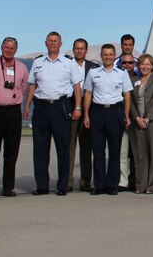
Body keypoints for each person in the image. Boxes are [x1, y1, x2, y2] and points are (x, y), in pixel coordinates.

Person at [24, 31, 82, 196]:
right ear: (46, 43)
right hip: (41, 107)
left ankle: (62, 186)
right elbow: (32, 85)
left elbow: (77, 86)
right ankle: (42, 185)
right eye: (50, 41)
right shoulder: (38, 62)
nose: (52, 43)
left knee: (63, 147)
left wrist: (77, 107)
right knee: (40, 148)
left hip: (61, 106)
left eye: (55, 41)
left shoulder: (68, 62)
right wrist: (27, 106)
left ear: (61, 44)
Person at [82, 44, 131, 195]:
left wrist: (126, 115)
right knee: (98, 151)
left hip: (115, 112)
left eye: (110, 54)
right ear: (101, 56)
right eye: (105, 54)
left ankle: (112, 185)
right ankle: (99, 185)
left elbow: (127, 95)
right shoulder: (93, 72)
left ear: (114, 55)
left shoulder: (122, 73)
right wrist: (86, 115)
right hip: (97, 112)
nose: (108, 57)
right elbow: (88, 94)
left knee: (115, 151)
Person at [0, 37, 28, 197]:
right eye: (6, 47)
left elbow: (23, 87)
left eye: (12, 48)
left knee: (11, 151)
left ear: (16, 50)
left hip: (13, 112)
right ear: (1, 47)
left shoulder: (22, 67)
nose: (9, 50)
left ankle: (8, 186)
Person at [128, 53, 153, 194]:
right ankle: (141, 185)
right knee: (141, 155)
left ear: (152, 66)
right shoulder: (134, 80)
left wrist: (148, 118)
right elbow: (130, 101)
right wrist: (137, 117)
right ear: (138, 66)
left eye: (147, 64)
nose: (145, 66)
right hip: (138, 122)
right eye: (142, 64)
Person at [68, 38, 98, 192]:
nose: (79, 51)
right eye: (77, 48)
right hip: (70, 111)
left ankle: (85, 181)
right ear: (73, 50)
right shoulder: (66, 65)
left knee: (86, 149)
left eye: (82, 48)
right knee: (69, 148)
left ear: (86, 51)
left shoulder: (94, 68)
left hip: (88, 112)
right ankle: (67, 181)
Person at [114, 33, 137, 191]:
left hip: (136, 118)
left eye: (130, 45)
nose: (127, 47)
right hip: (118, 116)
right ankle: (122, 180)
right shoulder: (115, 64)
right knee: (121, 152)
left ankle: (135, 179)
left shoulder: (139, 66)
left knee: (136, 153)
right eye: (125, 44)